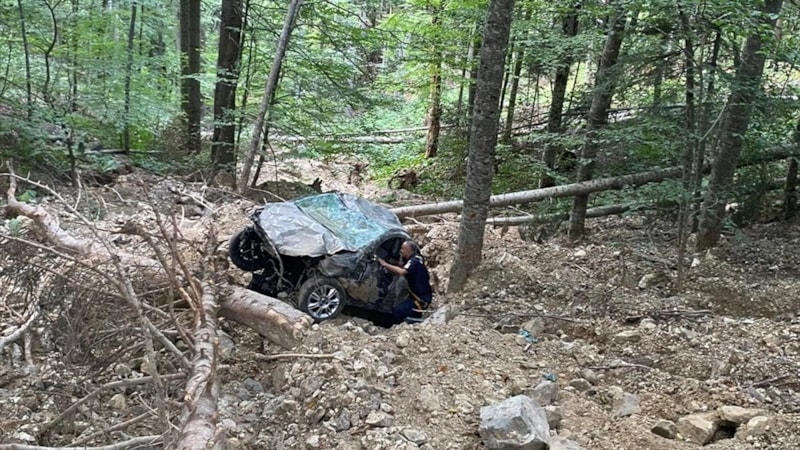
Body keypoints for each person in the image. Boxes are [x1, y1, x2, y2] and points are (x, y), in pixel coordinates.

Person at [378, 240, 433, 324]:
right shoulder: (417, 259)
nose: (401, 251)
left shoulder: (414, 261)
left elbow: (402, 272)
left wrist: (385, 264)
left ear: (408, 250)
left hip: (420, 300)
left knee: (396, 313)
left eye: (402, 249)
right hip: (417, 296)